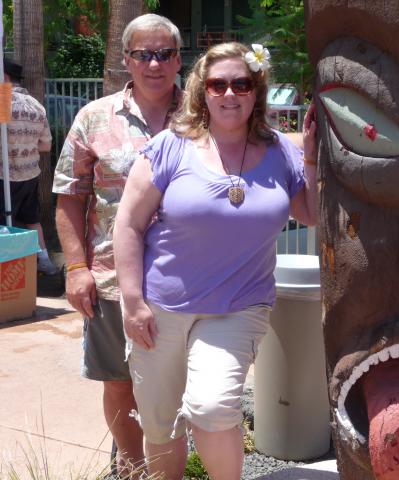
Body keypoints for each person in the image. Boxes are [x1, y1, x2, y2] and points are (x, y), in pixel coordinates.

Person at [113, 42, 318, 480]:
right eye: (217, 84)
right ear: (201, 91)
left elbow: (312, 213)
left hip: (239, 306)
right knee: (160, 422)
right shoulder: (171, 147)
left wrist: (314, 157)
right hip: (160, 307)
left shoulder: (281, 152)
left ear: (256, 91)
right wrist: (132, 302)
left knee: (212, 407)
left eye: (241, 84)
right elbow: (128, 224)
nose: (229, 94)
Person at [52, 13, 183, 474]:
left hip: (187, 279)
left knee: (179, 386)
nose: (154, 64)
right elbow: (70, 198)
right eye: (143, 54)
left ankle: (168, 468)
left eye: (164, 53)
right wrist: (76, 269)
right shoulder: (94, 118)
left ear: (178, 59)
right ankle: (130, 468)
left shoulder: (202, 117)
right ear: (126, 60)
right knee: (119, 382)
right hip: (110, 281)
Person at [0, 58, 56, 274]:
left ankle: (8, 269)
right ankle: (45, 261)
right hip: (30, 174)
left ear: (4, 77)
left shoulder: (3, 100)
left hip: (5, 176)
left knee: (4, 223)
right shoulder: (36, 105)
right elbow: (46, 145)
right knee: (32, 220)